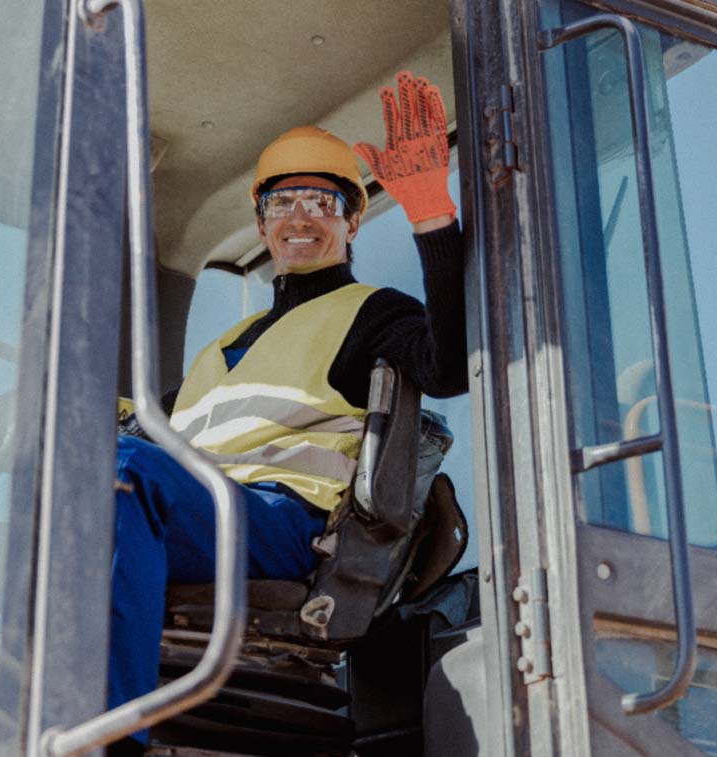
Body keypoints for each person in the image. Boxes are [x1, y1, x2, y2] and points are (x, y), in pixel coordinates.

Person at [106, 71, 466, 755]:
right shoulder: (223, 348)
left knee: (125, 473)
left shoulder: (373, 313)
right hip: (206, 514)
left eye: (321, 201)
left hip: (285, 523)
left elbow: (449, 367)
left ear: (353, 219)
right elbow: (142, 425)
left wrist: (431, 220)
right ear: (262, 218)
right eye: (283, 200)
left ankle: (112, 738)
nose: (300, 216)